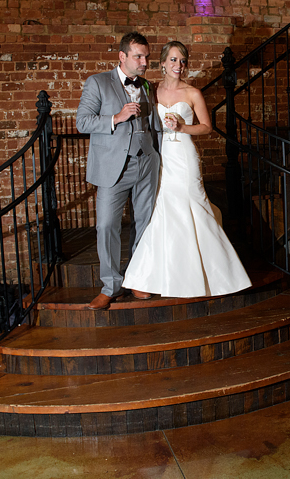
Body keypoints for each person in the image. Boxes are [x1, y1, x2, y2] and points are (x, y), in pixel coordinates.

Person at [122, 41, 252, 298]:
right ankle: (149, 279)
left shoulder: (193, 93)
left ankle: (219, 276)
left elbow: (207, 127)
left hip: (184, 155)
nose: (178, 66)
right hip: (161, 157)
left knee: (195, 206)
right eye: (173, 60)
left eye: (182, 61)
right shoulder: (152, 90)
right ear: (161, 63)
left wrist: (182, 127)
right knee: (162, 211)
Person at [76, 32, 161, 310]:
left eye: (146, 56)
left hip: (146, 162)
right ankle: (110, 285)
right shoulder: (98, 83)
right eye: (138, 56)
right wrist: (117, 117)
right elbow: (82, 122)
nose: (144, 61)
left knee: (145, 223)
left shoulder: (147, 85)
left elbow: (153, 126)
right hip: (114, 166)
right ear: (122, 56)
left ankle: (138, 278)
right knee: (106, 225)